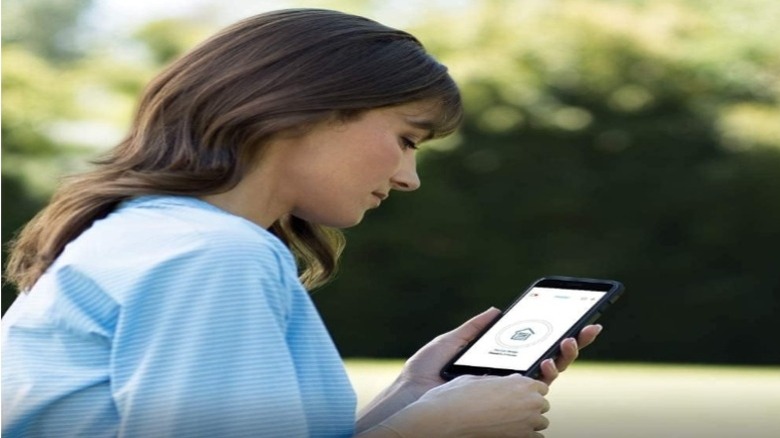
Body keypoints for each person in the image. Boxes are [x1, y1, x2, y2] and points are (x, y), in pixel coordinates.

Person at [2, 8, 602, 437]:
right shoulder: (214, 255)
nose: (408, 177)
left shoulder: (151, 234)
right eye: (406, 138)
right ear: (305, 111)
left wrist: (406, 401)